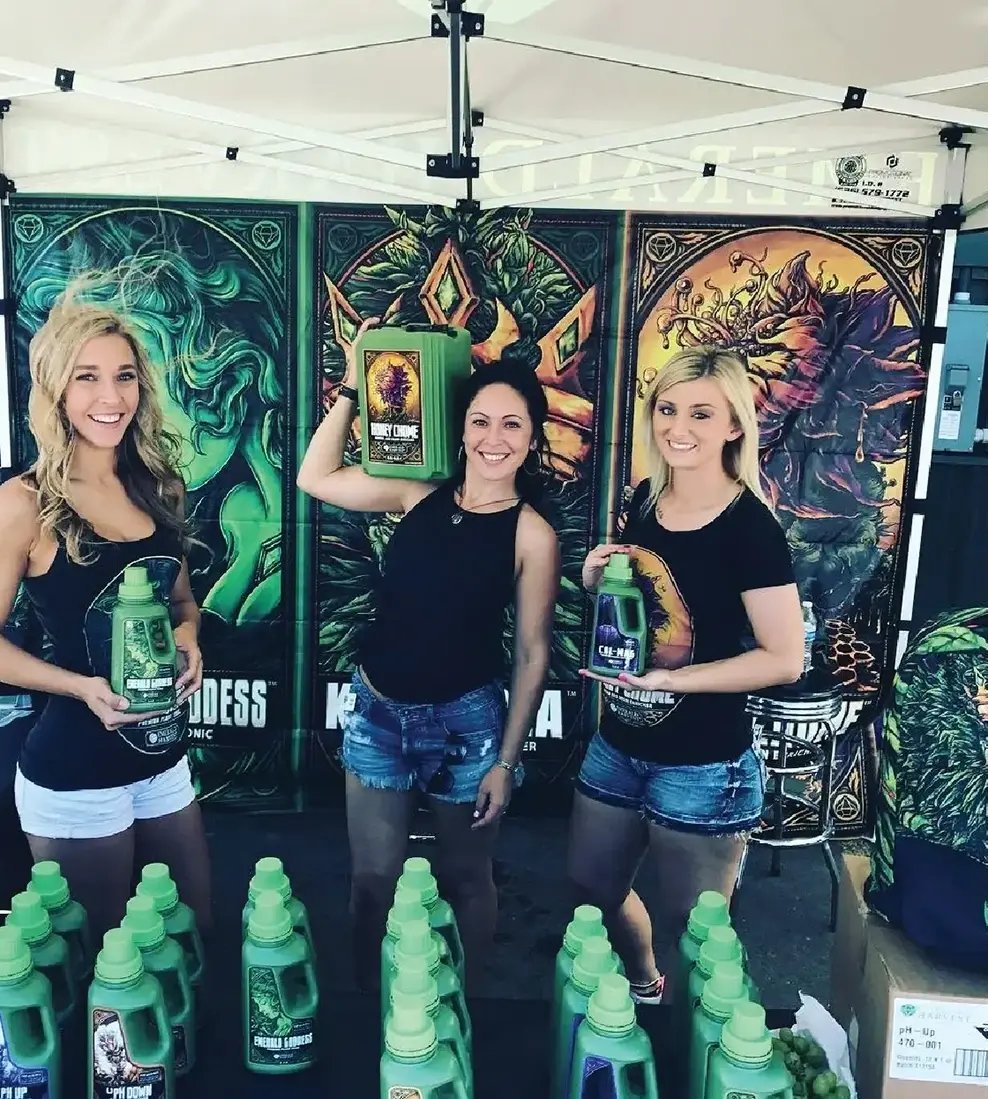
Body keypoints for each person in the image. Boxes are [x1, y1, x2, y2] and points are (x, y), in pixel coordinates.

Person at [297, 325, 561, 989]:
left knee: (467, 878)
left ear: (532, 436)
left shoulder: (532, 533)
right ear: (461, 427)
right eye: (480, 421)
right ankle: (373, 1006)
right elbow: (315, 476)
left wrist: (505, 758)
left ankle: (462, 1009)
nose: (493, 438)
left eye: (511, 424)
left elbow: (532, 652)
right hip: (379, 715)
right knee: (371, 883)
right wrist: (356, 384)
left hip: (467, 728)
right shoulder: (417, 489)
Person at [0, 285, 212, 946]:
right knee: (106, 965)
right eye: (87, 377)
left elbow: (180, 600)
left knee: (189, 936)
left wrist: (188, 635)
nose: (110, 397)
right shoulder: (21, 504)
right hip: (73, 774)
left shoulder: (157, 483)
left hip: (162, 757)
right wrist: (79, 687)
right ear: (57, 390)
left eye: (123, 376)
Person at [570, 344, 803, 1004]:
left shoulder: (750, 529)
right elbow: (647, 606)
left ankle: (712, 1053)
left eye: (701, 413)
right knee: (592, 890)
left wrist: (677, 681)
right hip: (620, 743)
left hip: (703, 765)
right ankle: (644, 984)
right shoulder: (648, 497)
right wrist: (599, 578)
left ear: (735, 425)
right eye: (668, 408)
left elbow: (783, 658)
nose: (678, 427)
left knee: (698, 932)